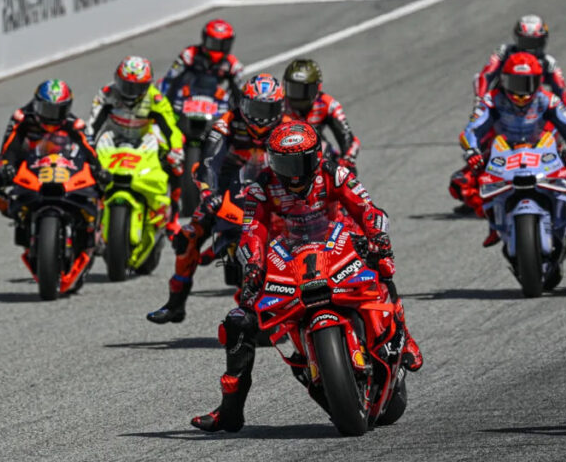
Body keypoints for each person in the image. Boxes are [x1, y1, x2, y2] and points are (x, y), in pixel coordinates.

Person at [191, 121, 422, 433]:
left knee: (382, 266)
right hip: (289, 256)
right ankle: (230, 410)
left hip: (339, 244)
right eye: (285, 163)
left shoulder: (334, 173)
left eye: (300, 162)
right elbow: (252, 230)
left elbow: (366, 208)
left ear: (315, 156)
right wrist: (254, 265)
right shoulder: (261, 187)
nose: (294, 173)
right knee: (238, 321)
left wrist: (377, 238)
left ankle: (405, 339)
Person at [147, 74, 287, 324]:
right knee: (188, 236)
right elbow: (209, 161)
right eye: (255, 107)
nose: (260, 116)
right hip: (230, 185)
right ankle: (175, 304)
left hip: (277, 187)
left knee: (312, 228)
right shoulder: (227, 122)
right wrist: (208, 193)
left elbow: (311, 160)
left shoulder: (290, 127)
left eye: (267, 109)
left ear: (279, 108)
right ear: (243, 104)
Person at [458, 53, 566, 246]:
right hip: (504, 149)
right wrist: (472, 150)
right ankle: (494, 224)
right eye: (515, 83)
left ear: (537, 82)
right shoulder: (491, 100)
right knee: (477, 171)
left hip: (542, 147)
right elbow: (473, 129)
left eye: (527, 83)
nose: (521, 91)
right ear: (504, 80)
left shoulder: (548, 99)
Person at [0, 80, 108, 216]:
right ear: (36, 103)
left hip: (65, 165)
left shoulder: (74, 123)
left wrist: (98, 169)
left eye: (59, 110)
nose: (52, 116)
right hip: (27, 163)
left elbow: (89, 149)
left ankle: (93, 217)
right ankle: (16, 211)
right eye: (47, 109)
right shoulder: (21, 117)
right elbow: (8, 146)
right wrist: (7, 164)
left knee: (104, 181)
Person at [87, 56, 186, 231]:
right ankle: (89, 211)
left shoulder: (155, 99)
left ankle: (173, 216)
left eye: (136, 87)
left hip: (144, 137)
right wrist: (87, 145)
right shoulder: (107, 93)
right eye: (125, 85)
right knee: (87, 162)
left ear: (147, 85)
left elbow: (170, 127)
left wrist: (175, 149)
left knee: (175, 163)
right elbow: (92, 124)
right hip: (112, 137)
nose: (130, 92)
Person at [474, 15, 566, 109]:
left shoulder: (549, 62)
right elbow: (486, 75)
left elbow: (561, 89)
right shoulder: (503, 52)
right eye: (526, 42)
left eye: (534, 43)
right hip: (501, 105)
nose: (529, 49)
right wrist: (480, 99)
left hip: (535, 109)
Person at [281, 59, 361, 171]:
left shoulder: (328, 104)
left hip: (315, 153)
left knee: (348, 168)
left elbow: (349, 140)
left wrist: (346, 161)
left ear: (316, 88)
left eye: (303, 90)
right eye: (292, 89)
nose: (297, 96)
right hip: (282, 155)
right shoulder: (279, 105)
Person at [158, 19, 245, 101]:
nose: (218, 48)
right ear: (204, 39)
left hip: (215, 103)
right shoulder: (190, 54)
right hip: (186, 99)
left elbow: (240, 89)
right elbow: (170, 77)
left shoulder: (233, 64)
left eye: (224, 44)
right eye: (213, 43)